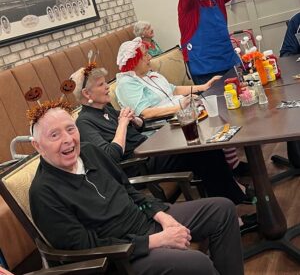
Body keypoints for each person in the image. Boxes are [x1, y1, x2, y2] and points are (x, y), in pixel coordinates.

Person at [28, 102, 244, 275]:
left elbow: (129, 190)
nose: (68, 140)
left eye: (70, 129)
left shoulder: (90, 152)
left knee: (221, 210)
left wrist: (162, 216)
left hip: (145, 222)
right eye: (54, 135)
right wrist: (156, 241)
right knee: (197, 263)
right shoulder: (44, 192)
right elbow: (84, 247)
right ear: (37, 146)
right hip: (122, 256)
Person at [70, 64, 247, 203]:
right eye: (101, 85)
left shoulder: (105, 108)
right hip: (139, 164)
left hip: (150, 150)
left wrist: (135, 121)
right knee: (201, 151)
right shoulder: (84, 122)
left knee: (205, 145)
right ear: (86, 93)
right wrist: (123, 124)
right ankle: (234, 204)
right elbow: (110, 156)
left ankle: (234, 196)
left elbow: (138, 128)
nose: (108, 87)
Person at [115, 37, 249, 176]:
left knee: (220, 113)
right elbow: (145, 113)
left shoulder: (150, 74)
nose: (150, 57)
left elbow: (173, 90)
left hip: (181, 115)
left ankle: (231, 163)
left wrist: (203, 86)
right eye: (145, 56)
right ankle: (231, 168)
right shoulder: (127, 84)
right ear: (134, 61)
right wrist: (179, 107)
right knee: (214, 122)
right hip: (163, 128)